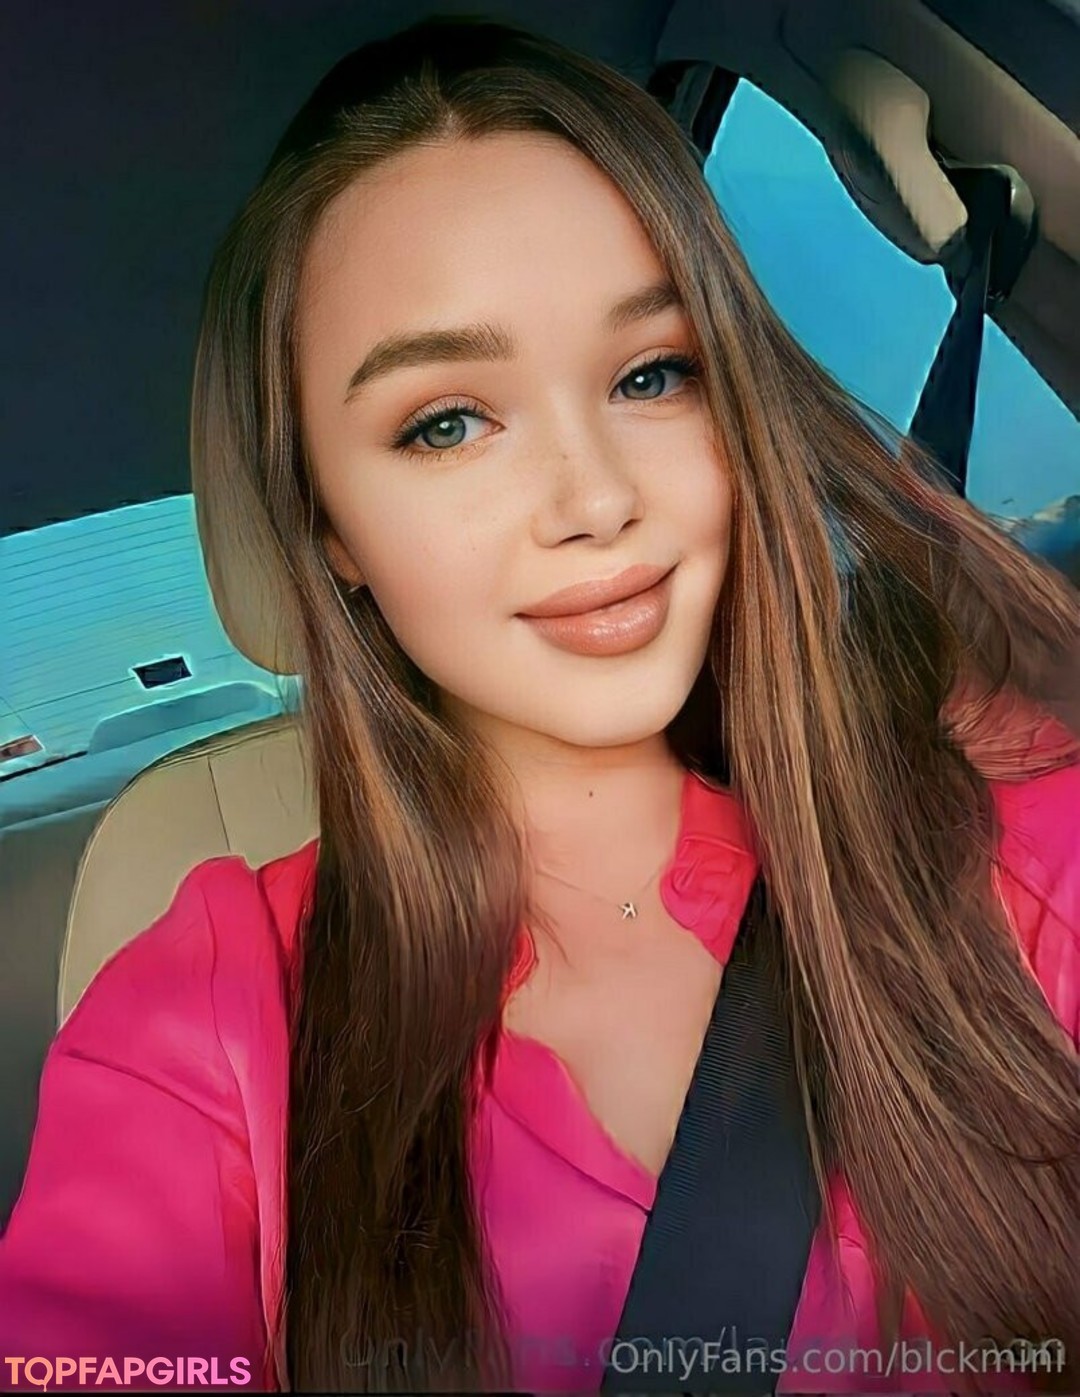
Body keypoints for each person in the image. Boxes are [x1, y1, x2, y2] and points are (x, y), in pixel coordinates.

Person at [2, 16, 1078, 1395]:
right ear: (327, 526)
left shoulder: (998, 858)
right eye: (446, 422)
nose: (596, 498)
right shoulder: (211, 1017)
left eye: (651, 375)